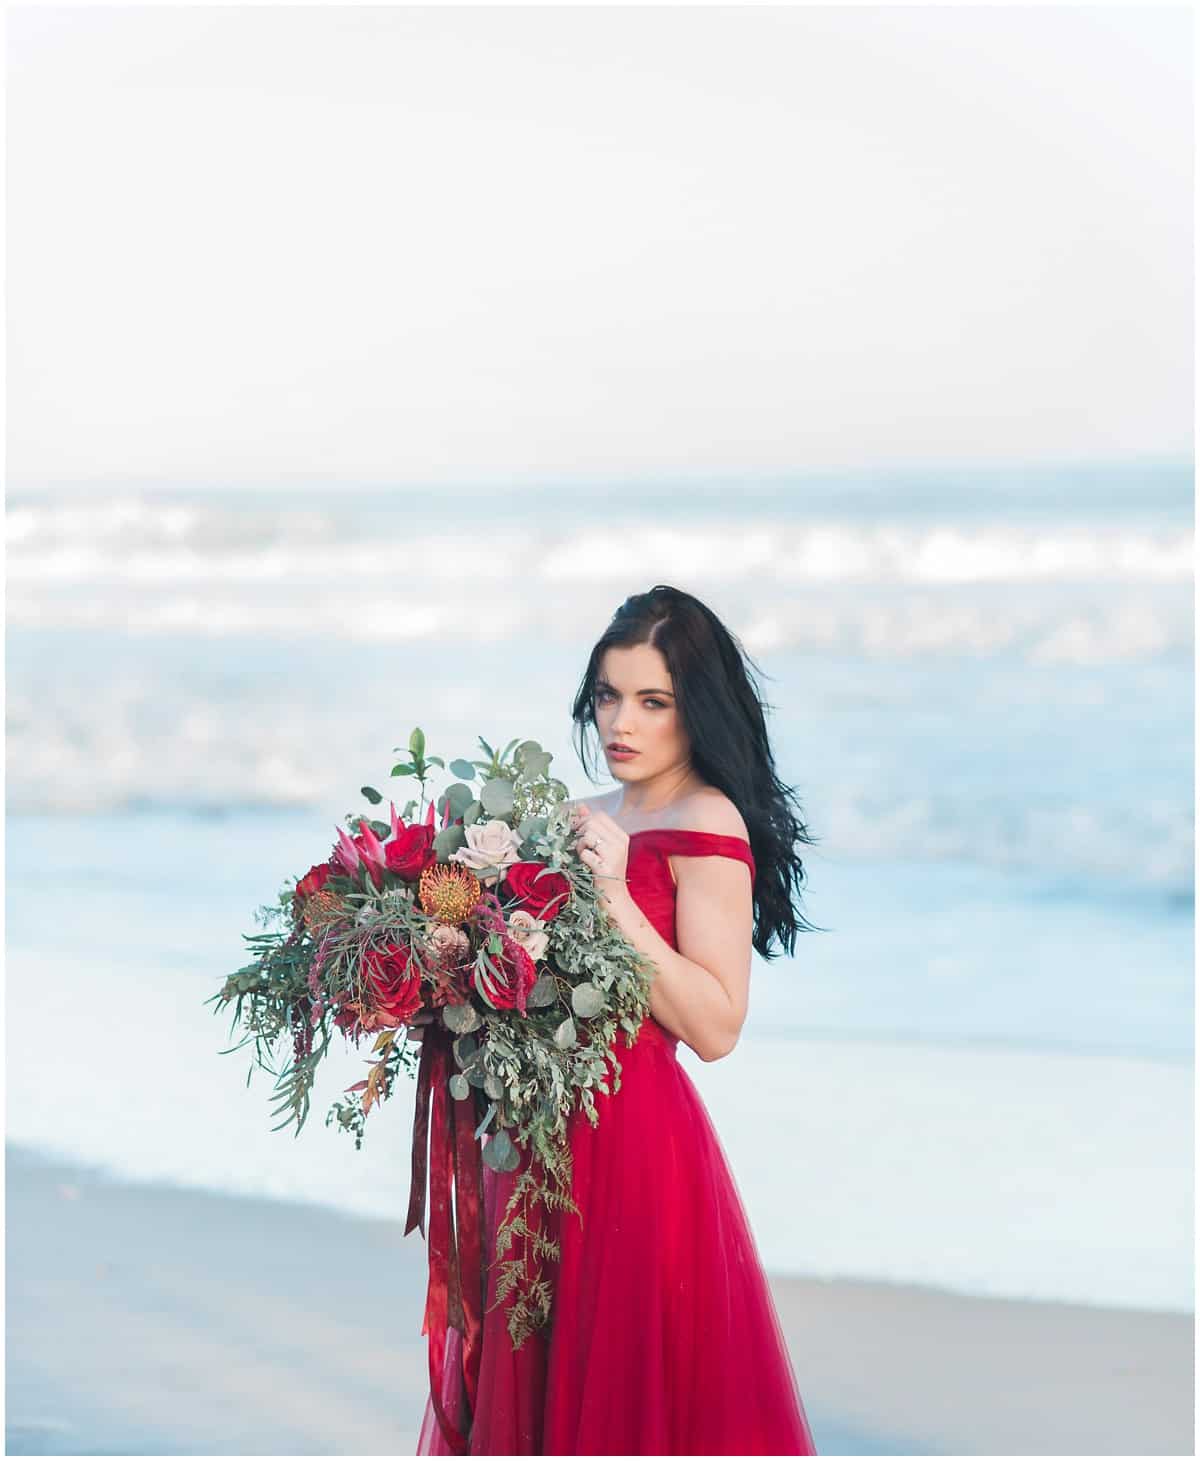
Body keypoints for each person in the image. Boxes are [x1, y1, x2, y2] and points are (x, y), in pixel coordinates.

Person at [415, 584, 821, 1455]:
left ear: (694, 709)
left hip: (633, 1146)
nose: (620, 722)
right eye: (607, 695)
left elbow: (716, 1026)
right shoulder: (574, 817)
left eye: (651, 700)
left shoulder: (708, 822)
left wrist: (612, 894)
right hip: (530, 1146)